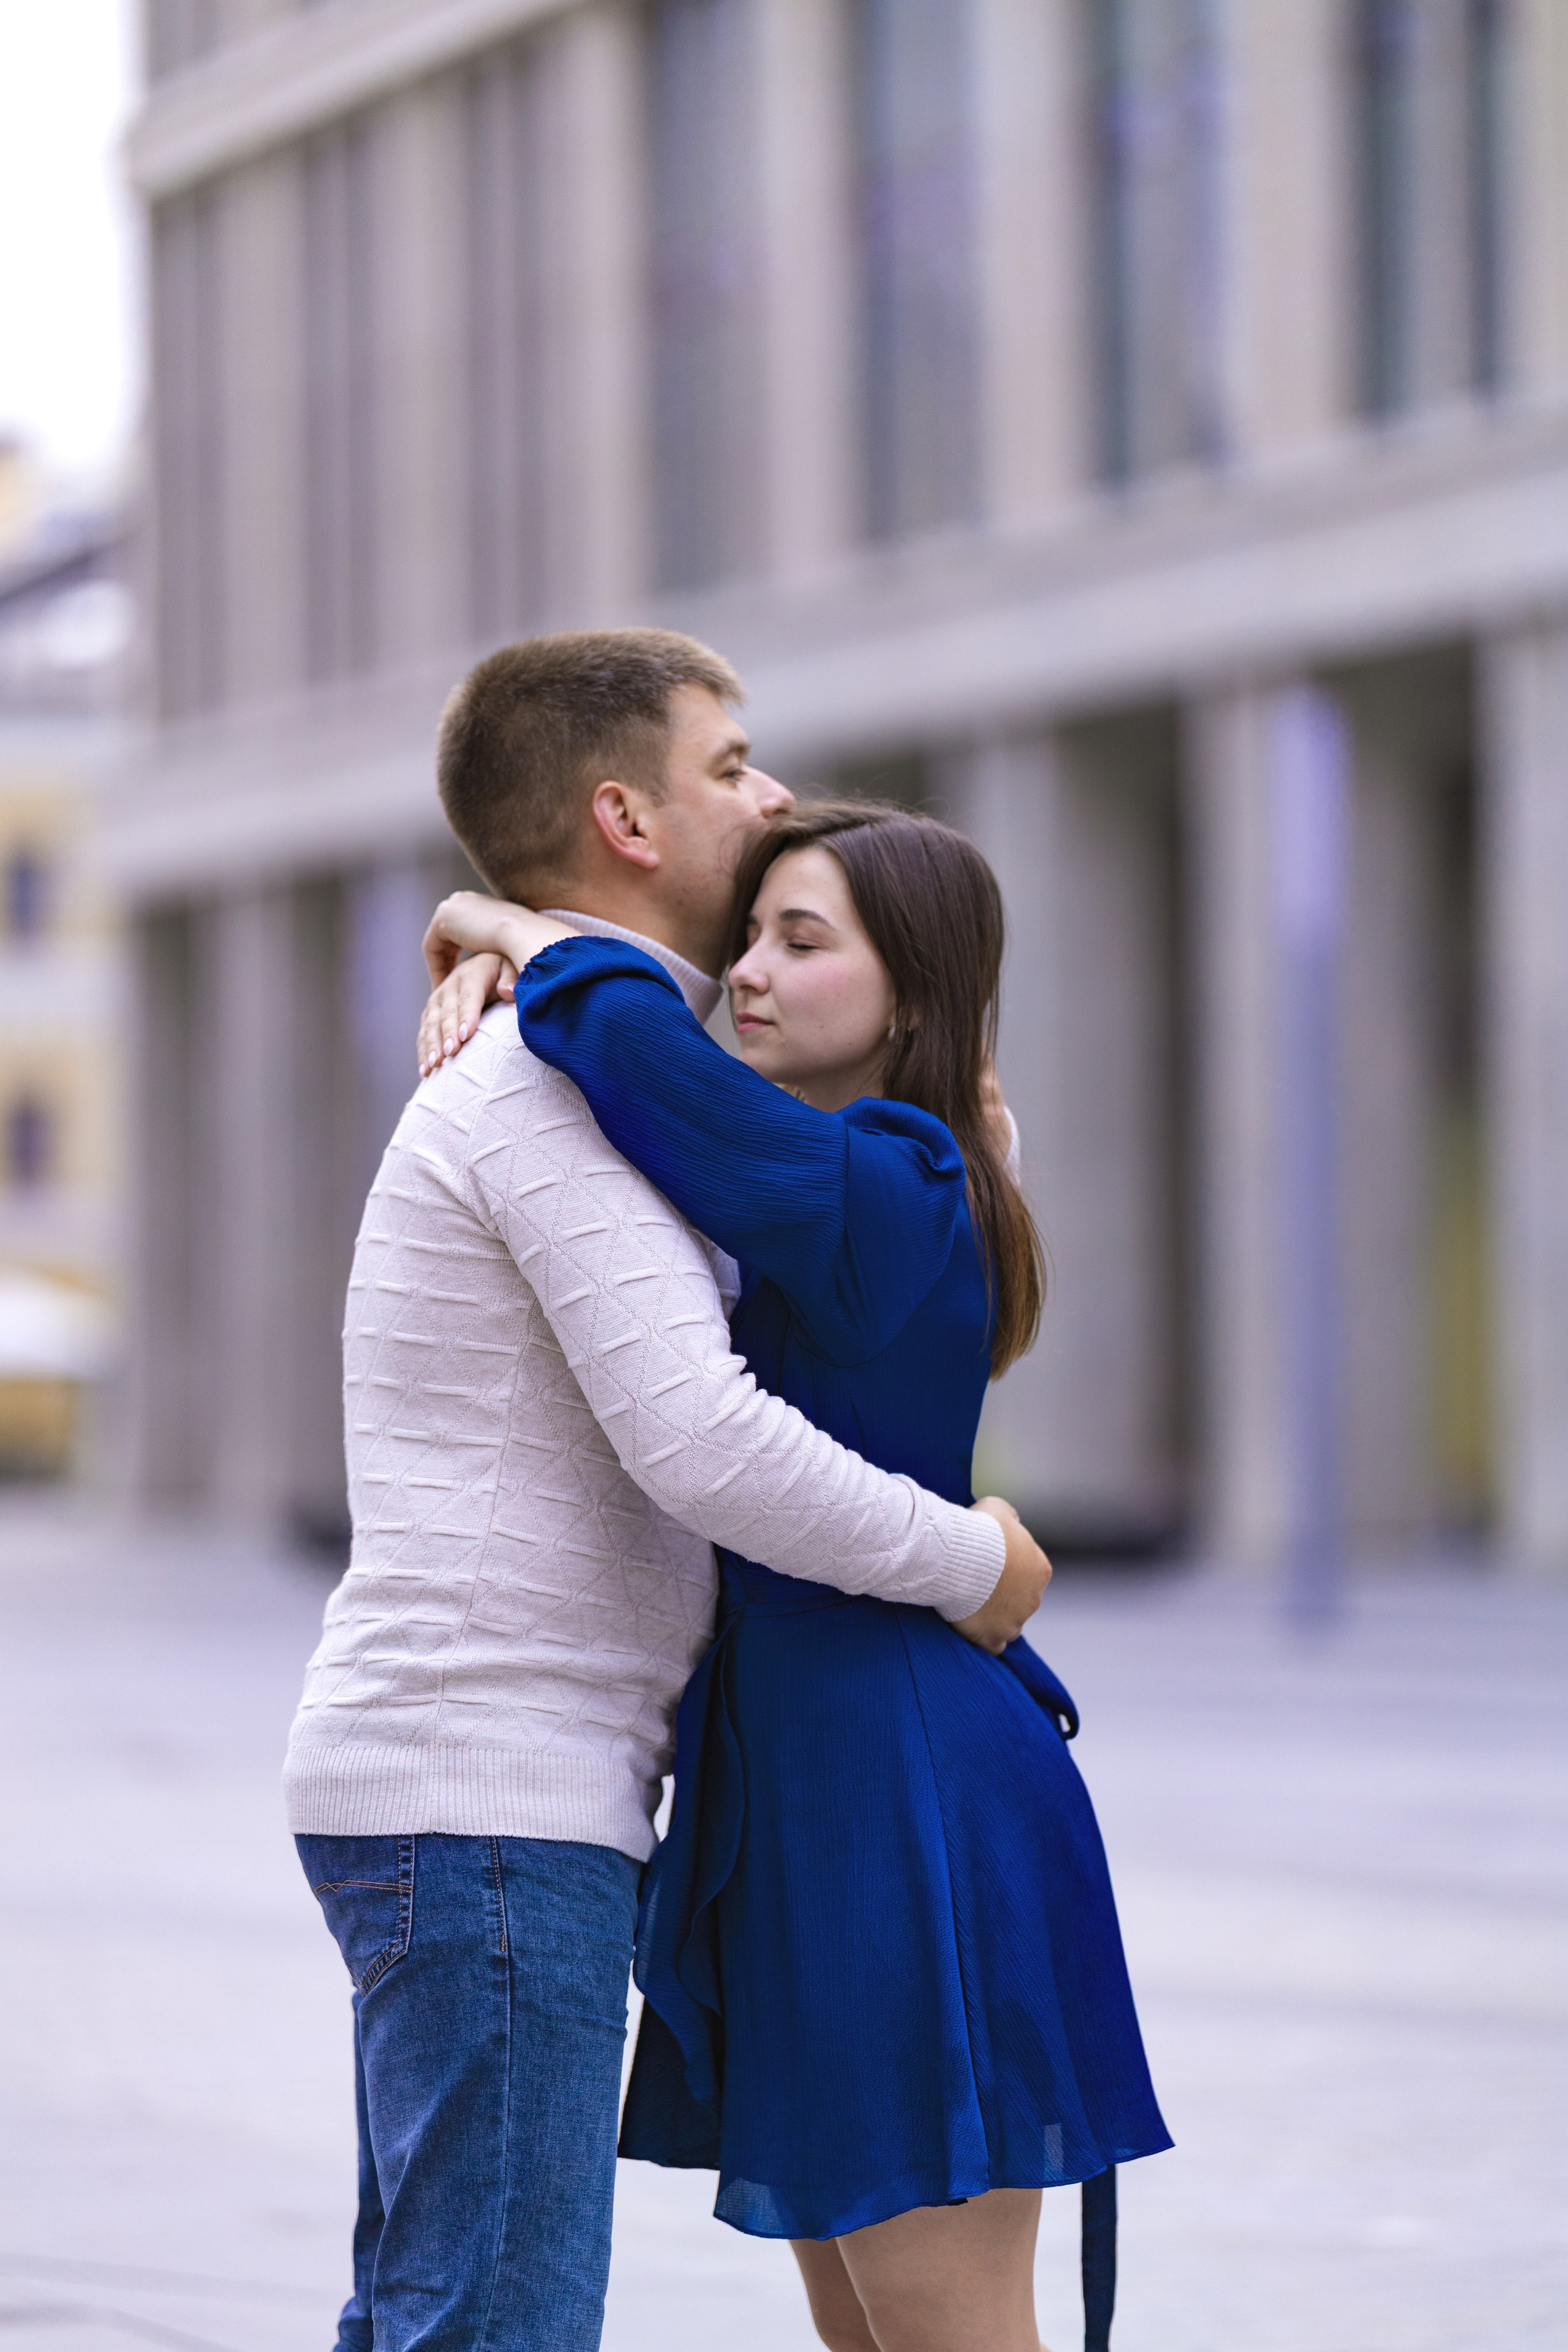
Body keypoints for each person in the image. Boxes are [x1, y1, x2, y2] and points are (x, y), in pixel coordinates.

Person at [285, 631, 1053, 2352]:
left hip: (544, 1787)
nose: (769, 794)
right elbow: (701, 1441)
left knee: (455, 2312)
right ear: (626, 816)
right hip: (491, 1785)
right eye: (732, 768)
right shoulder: (556, 1085)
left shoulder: (656, 1082)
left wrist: (504, 926)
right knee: (492, 2324)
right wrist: (973, 1560)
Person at [418, 801, 1172, 2352]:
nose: (744, 972)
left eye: (800, 942)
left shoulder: (890, 1176)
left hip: (898, 1784)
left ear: (914, 998)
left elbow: (631, 1047)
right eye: (748, 932)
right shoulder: (860, 1169)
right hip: (811, 1772)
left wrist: (507, 928)